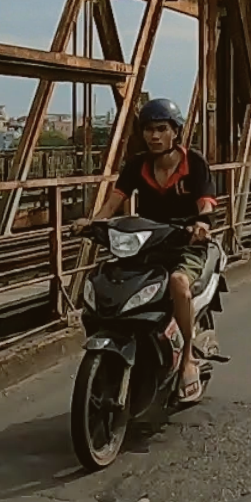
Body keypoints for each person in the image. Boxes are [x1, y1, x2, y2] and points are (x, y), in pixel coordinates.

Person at [81, 98, 216, 403]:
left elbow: (206, 201)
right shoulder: (137, 165)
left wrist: (202, 223)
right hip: (147, 243)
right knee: (109, 278)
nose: (154, 136)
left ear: (175, 132)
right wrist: (92, 223)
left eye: (161, 129)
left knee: (178, 284)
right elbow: (114, 201)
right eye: (148, 130)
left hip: (186, 244)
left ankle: (187, 361)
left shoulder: (193, 163)